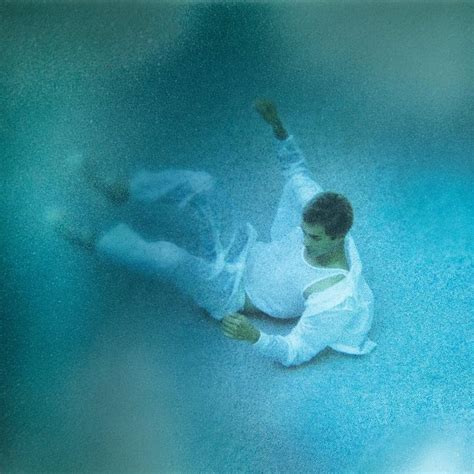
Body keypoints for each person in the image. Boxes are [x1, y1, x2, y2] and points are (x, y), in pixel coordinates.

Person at [54, 100, 376, 367]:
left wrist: (255, 337)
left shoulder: (335, 297)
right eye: (304, 231)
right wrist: (276, 124)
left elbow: (297, 350)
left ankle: (95, 242)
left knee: (170, 258)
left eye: (314, 238)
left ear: (339, 236)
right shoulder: (315, 207)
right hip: (245, 248)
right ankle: (121, 189)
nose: (305, 241)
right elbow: (296, 171)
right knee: (202, 184)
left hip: (231, 292)